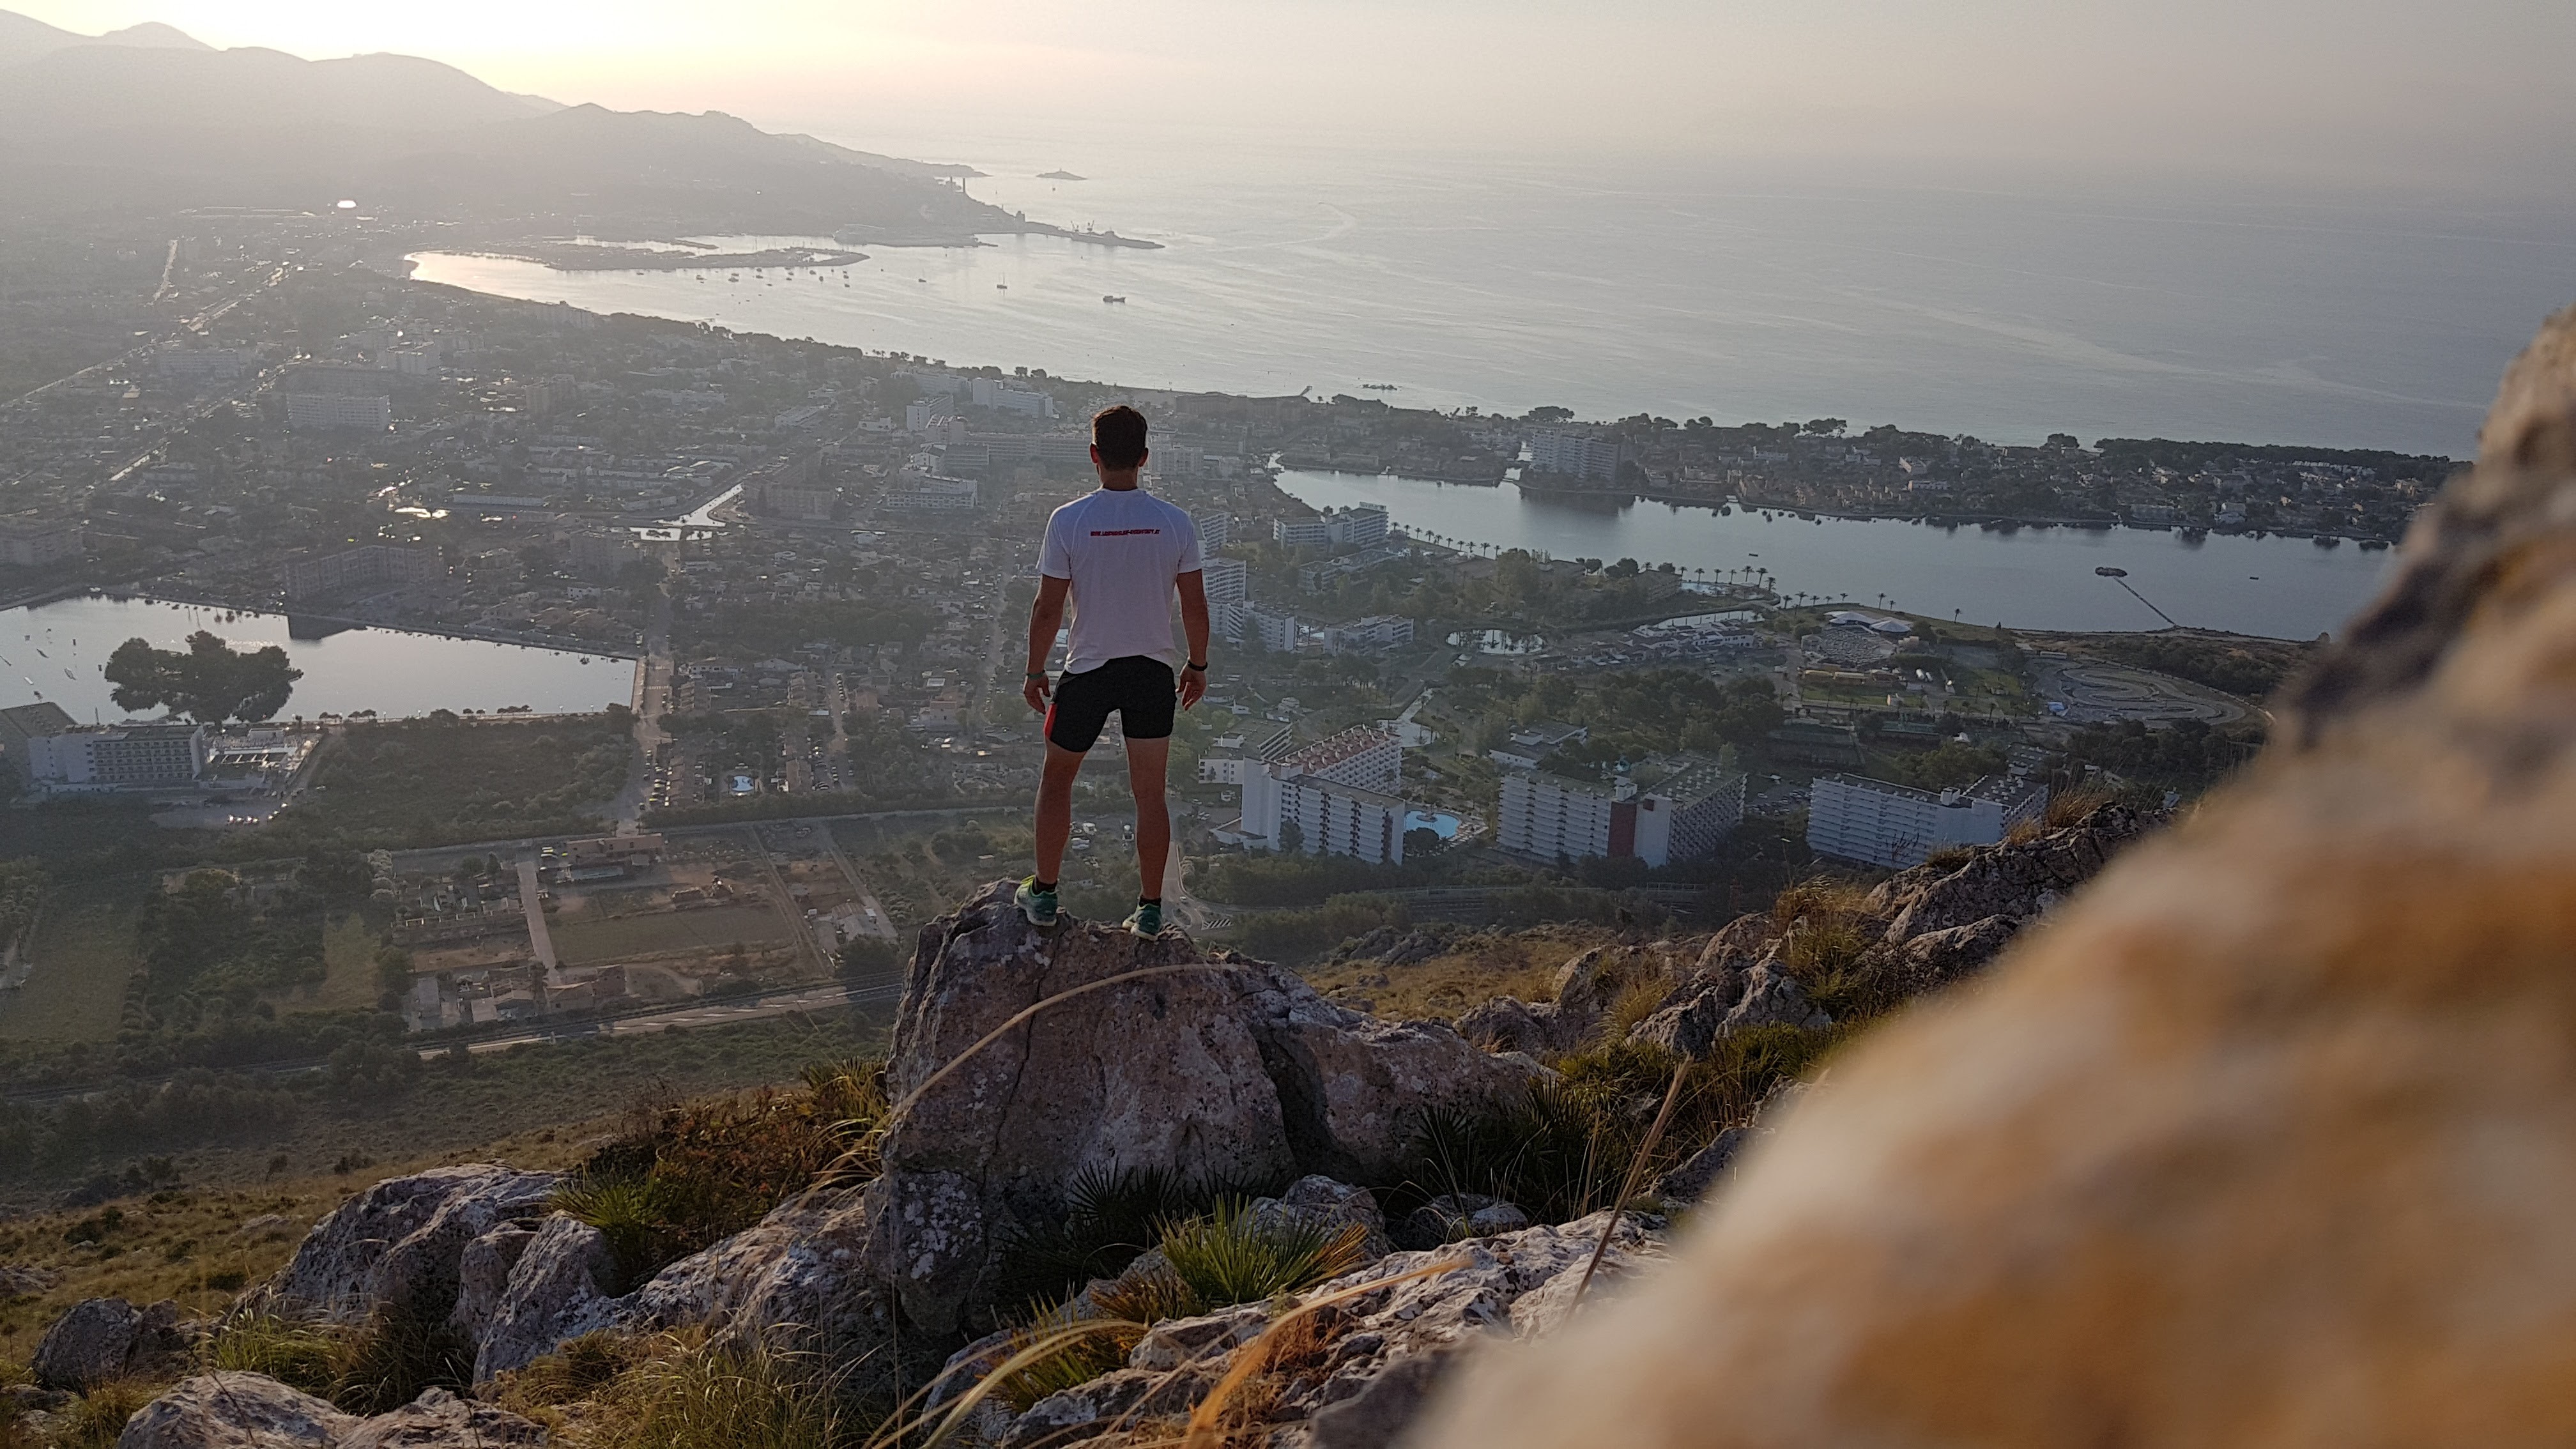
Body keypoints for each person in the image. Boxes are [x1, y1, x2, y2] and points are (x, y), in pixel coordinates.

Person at [1016, 405, 1210, 935]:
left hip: (1089, 670)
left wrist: (1035, 672)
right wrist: (1197, 663)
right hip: (1152, 671)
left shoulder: (1069, 520)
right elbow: (1194, 606)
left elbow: (1047, 609)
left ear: (1094, 456)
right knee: (1151, 793)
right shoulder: (1175, 523)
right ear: (1145, 458)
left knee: (1057, 781)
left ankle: (1045, 894)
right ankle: (1150, 910)